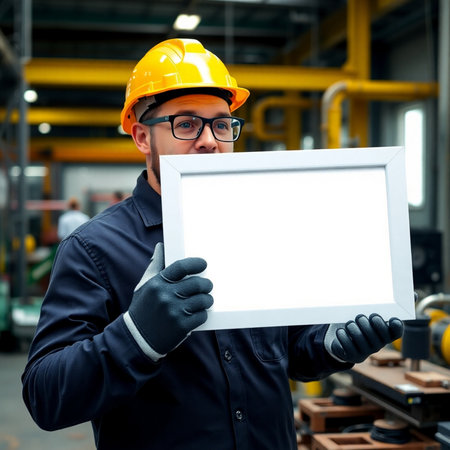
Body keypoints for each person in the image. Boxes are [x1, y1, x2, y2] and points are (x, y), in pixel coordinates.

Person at [22, 38, 404, 450]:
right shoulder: (93, 249)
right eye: (186, 124)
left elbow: (290, 352)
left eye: (222, 124)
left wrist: (332, 345)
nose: (209, 140)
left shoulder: (262, 230)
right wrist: (136, 336)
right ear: (142, 138)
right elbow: (46, 397)